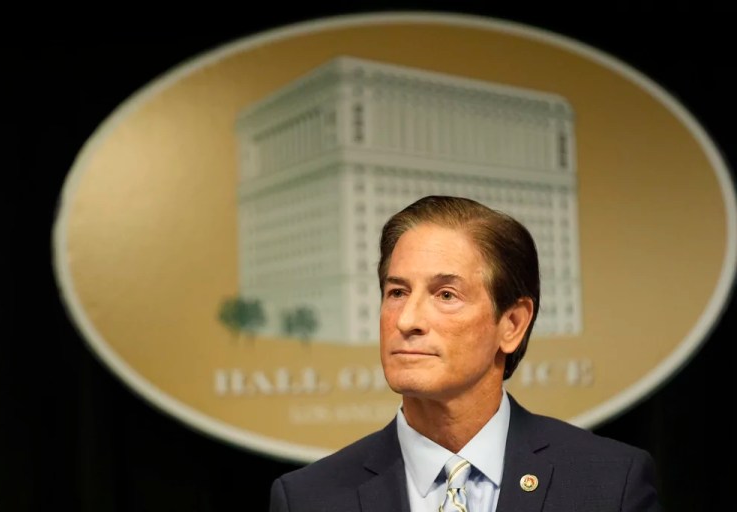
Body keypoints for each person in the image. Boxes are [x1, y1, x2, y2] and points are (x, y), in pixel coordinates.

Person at [269, 195, 662, 511]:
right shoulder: (310, 498)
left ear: (512, 324)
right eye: (397, 292)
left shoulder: (609, 484)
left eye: (445, 295)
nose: (407, 319)